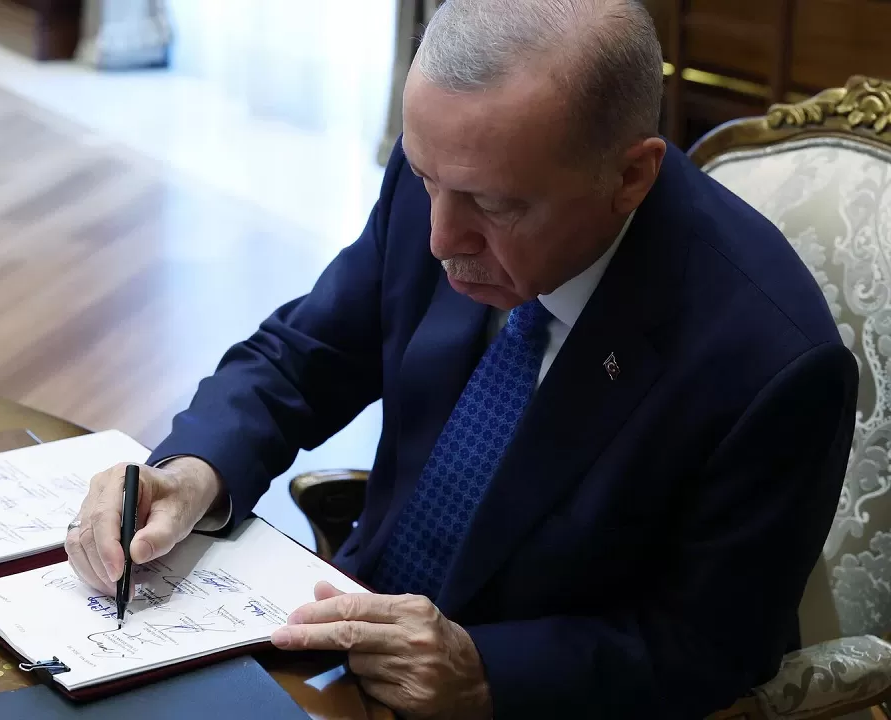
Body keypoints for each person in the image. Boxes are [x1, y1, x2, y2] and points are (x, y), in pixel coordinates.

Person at [64, 0, 858, 716]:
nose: (443, 239)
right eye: (424, 178)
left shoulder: (774, 363)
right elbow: (304, 355)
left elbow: (710, 648)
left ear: (629, 176)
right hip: (343, 631)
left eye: (494, 205)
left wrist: (487, 674)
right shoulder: (452, 171)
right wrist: (195, 470)